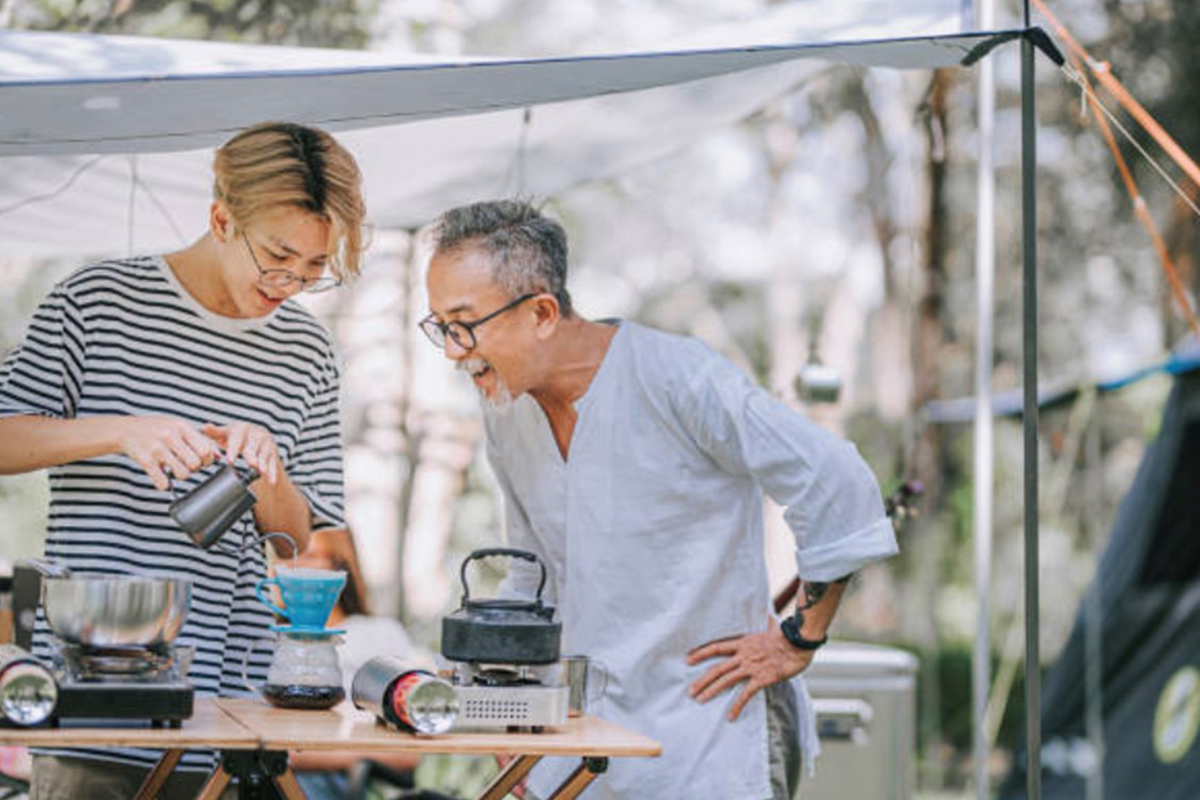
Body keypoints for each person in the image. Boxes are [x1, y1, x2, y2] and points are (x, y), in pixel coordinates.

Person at [418, 199, 899, 800]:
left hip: (715, 737)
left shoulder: (678, 378)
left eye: (464, 324)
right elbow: (531, 577)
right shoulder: (506, 412)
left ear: (542, 311)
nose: (453, 350)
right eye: (440, 325)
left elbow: (836, 481)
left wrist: (798, 638)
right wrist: (506, 711)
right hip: (583, 745)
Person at [0, 121, 365, 800]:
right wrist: (118, 432)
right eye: (278, 257)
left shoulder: (307, 353)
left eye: (315, 268)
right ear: (221, 218)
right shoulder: (96, 302)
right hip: (97, 701)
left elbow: (300, 533)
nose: (291, 282)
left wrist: (268, 470)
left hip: (235, 710)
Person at [289, 529, 426, 800]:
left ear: (341, 566)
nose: (295, 569)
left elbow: (408, 754)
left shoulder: (379, 634)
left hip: (336, 777)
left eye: (310, 557)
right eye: (288, 558)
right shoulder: (267, 639)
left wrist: (304, 756)